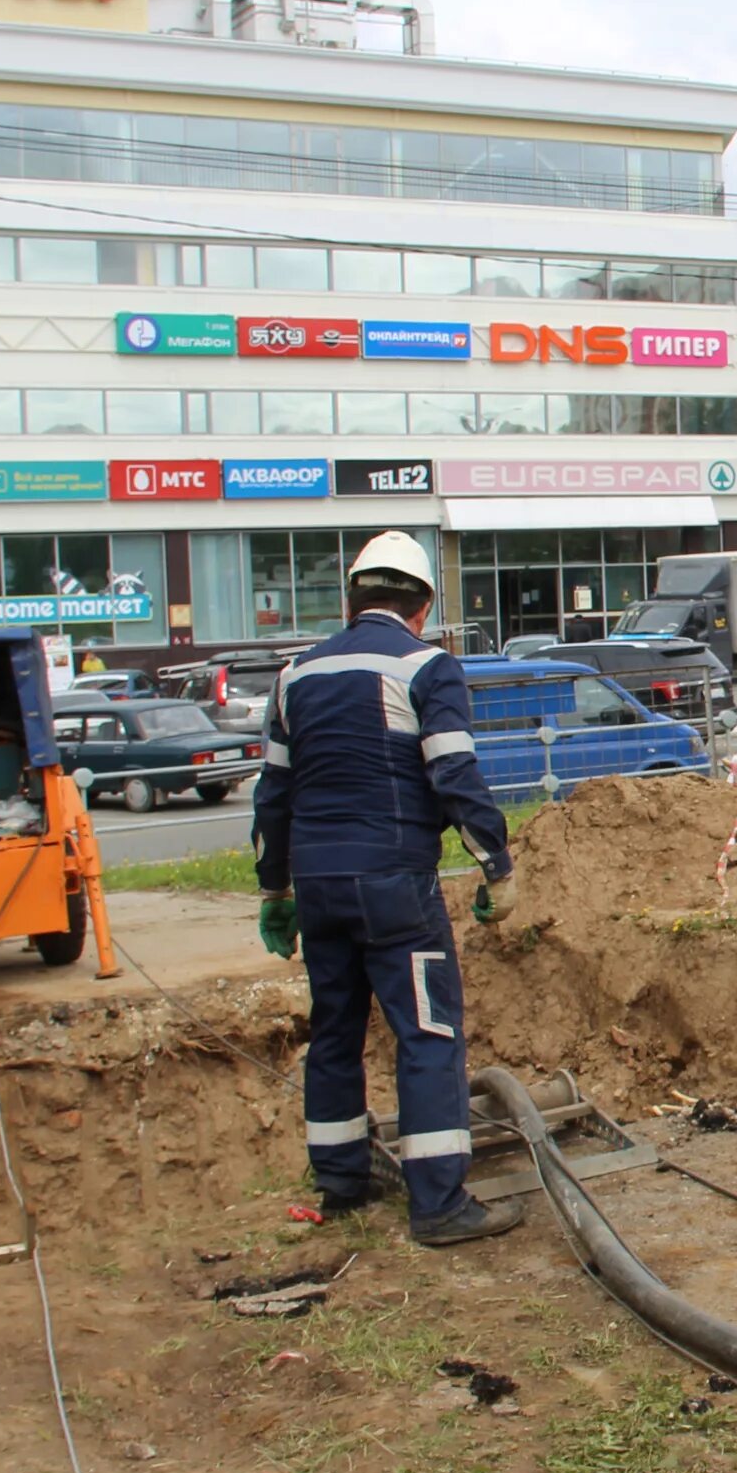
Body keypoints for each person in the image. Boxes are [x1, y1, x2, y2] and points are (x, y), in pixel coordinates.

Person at [251, 532, 524, 1247]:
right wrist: (496, 864)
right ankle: (438, 1205)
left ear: (353, 599)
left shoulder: (294, 677)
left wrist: (273, 891)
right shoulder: (428, 668)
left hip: (317, 886)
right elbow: (454, 774)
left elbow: (272, 796)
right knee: (427, 1034)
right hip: (395, 884)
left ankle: (342, 1179)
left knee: (335, 1028)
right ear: (424, 605)